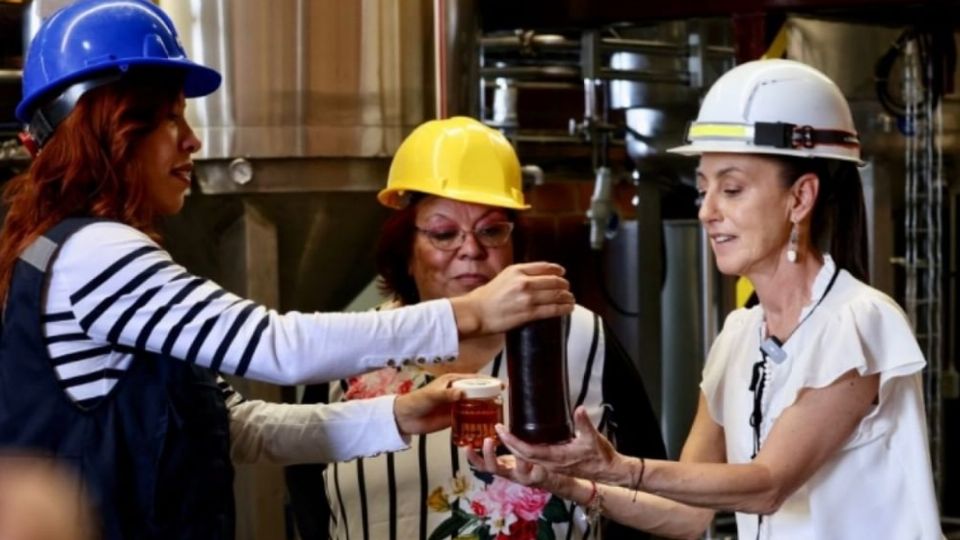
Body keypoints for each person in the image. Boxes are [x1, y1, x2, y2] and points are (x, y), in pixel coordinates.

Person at [0, 2, 574, 539]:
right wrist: (470, 313)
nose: (193, 139)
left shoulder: (82, 254)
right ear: (114, 129)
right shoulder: (96, 255)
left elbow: (238, 427)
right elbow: (279, 347)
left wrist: (395, 416)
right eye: (170, 119)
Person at [469, 59, 945, 540]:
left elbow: (767, 485)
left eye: (732, 189)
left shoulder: (858, 323)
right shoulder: (740, 338)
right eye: (702, 189)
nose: (707, 211)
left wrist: (617, 467)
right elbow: (686, 514)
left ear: (800, 198)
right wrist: (564, 482)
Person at [313, 116, 665, 540]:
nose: (472, 250)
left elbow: (647, 488)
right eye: (444, 234)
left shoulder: (581, 340)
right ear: (406, 250)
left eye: (492, 230)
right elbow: (307, 497)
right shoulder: (350, 353)